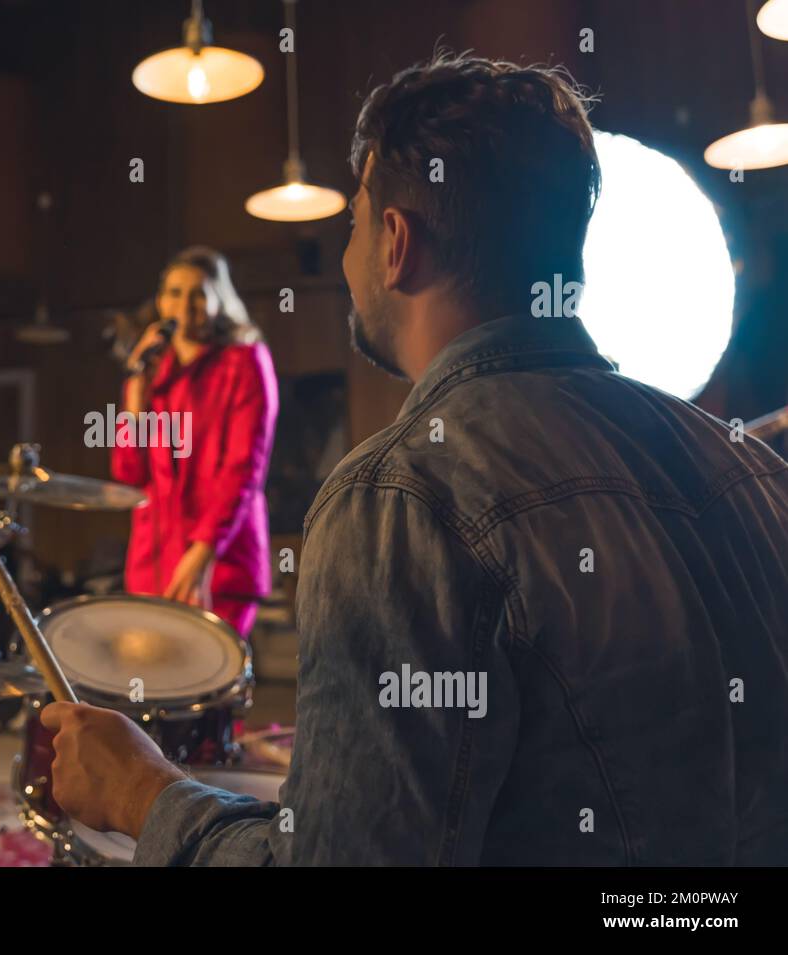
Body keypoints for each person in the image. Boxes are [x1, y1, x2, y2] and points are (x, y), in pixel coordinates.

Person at [42, 53, 788, 865]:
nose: (345, 251)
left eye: (355, 220)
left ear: (396, 243)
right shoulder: (755, 471)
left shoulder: (401, 497)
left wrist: (141, 794)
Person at [112, 247, 278, 640]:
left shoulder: (245, 362)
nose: (185, 305)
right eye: (174, 292)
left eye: (199, 293)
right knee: (153, 691)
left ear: (221, 300)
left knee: (210, 694)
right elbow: (128, 475)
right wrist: (136, 398)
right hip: (152, 564)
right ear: (159, 301)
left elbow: (244, 469)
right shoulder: (153, 372)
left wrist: (203, 551)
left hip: (219, 561)